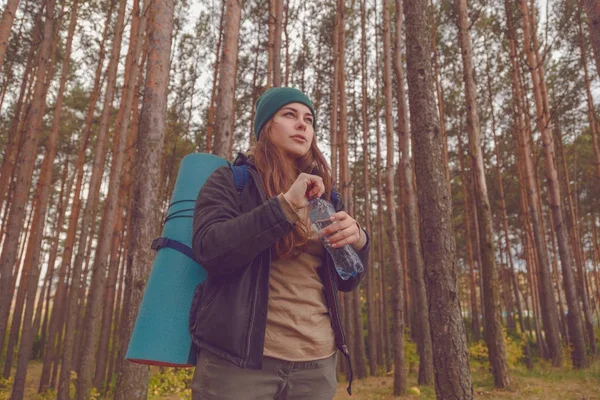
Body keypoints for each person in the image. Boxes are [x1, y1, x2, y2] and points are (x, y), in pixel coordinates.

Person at [189, 87, 369, 400]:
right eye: (290, 115)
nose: (303, 125)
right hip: (239, 364)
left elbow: (348, 282)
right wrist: (282, 208)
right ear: (265, 127)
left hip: (317, 364)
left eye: (309, 120)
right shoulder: (232, 181)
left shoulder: (325, 198)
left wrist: (360, 240)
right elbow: (209, 248)